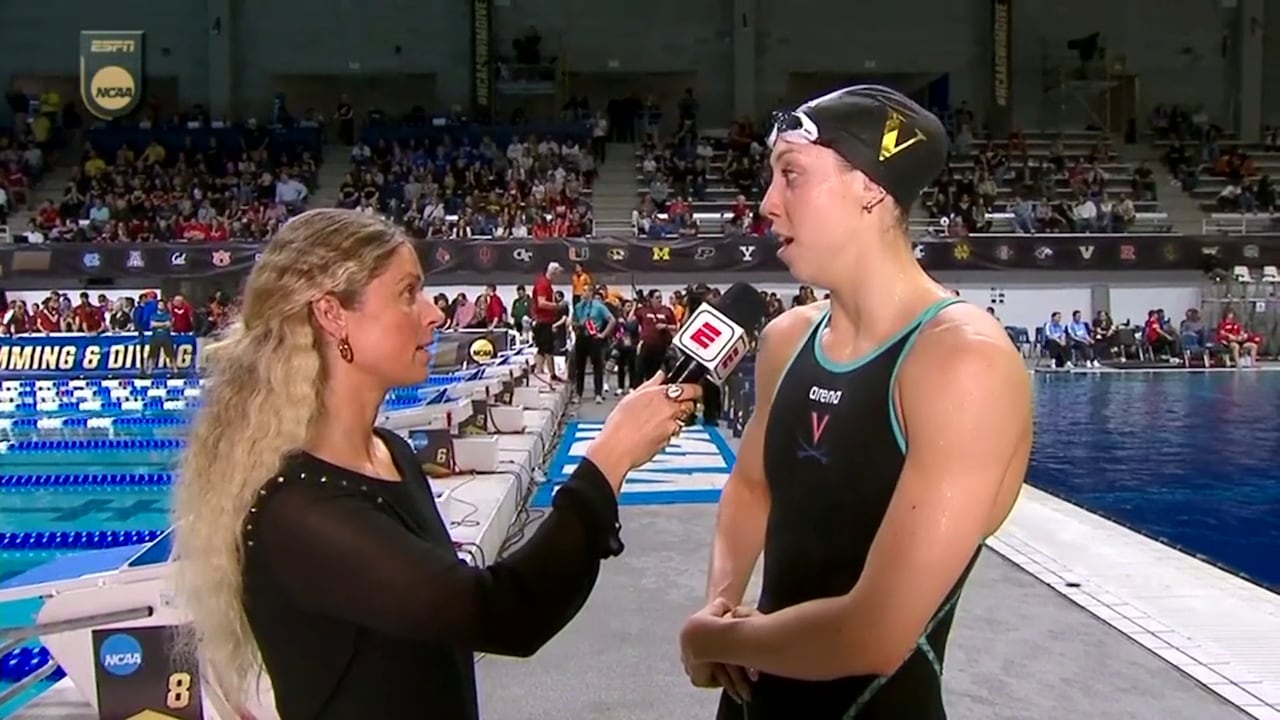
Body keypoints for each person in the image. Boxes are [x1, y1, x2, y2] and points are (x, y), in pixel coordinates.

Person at [171, 209, 703, 719]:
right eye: (408, 293)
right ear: (332, 314)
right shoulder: (297, 509)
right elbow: (499, 614)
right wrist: (610, 456)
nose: (435, 313)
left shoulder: (390, 452)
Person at [678, 85, 1032, 719]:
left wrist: (711, 640)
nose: (767, 203)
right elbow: (752, 487)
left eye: (791, 175)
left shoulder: (961, 360)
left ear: (869, 187)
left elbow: (876, 633)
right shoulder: (787, 340)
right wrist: (720, 602)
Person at [572, 285, 616, 403]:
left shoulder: (599, 306)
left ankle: (598, 393)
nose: (583, 293)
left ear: (591, 293)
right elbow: (573, 320)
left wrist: (603, 334)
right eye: (583, 291)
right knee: (579, 367)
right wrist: (576, 325)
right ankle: (578, 393)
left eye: (586, 291)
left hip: (594, 338)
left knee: (597, 366)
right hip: (581, 337)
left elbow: (612, 320)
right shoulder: (578, 306)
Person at [531, 261, 564, 381]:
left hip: (545, 320)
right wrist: (556, 306)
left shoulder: (547, 284)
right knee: (548, 349)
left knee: (542, 349)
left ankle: (540, 372)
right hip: (543, 321)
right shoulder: (543, 284)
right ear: (553, 272)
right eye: (558, 273)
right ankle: (550, 374)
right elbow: (541, 303)